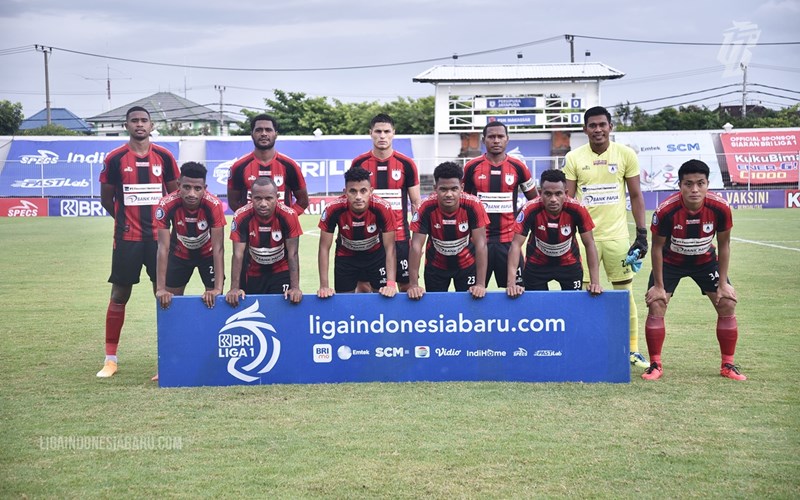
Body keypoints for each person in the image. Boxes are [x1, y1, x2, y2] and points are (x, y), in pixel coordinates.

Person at [641, 160, 745, 381]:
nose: (695, 189)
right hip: (671, 262)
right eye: (688, 184)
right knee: (656, 303)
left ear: (708, 184)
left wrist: (723, 283)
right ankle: (655, 365)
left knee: (727, 301)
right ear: (680, 185)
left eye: (700, 183)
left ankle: (728, 364)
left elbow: (724, 244)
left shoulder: (720, 208)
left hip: (705, 261)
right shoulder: (666, 210)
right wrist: (659, 286)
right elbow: (657, 247)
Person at [96, 106, 180, 378]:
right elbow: (107, 199)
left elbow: (175, 195)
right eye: (135, 121)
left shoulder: (165, 157)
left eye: (144, 120)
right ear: (127, 125)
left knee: (165, 296)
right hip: (127, 239)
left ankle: (168, 358)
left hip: (160, 241)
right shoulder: (115, 158)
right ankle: (110, 359)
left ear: (152, 125)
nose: (140, 125)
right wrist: (123, 220)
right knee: (120, 295)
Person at [563, 105, 650, 369]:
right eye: (592, 125)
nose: (598, 129)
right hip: (583, 239)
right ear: (585, 129)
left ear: (610, 126)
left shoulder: (625, 154)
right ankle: (583, 347)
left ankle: (633, 349)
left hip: (617, 238)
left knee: (624, 294)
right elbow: (567, 200)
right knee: (583, 295)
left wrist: (641, 233)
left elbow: (635, 195)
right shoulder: (574, 157)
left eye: (602, 124)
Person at [350, 113, 422, 292]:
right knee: (365, 287)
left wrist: (417, 241)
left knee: (406, 286)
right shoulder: (359, 163)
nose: (382, 136)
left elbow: (416, 204)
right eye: (378, 131)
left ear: (393, 133)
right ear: (370, 133)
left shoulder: (406, 164)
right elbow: (352, 201)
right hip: (368, 238)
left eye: (386, 131)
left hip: (400, 237)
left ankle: (403, 321)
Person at [463, 121, 538, 288]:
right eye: (491, 137)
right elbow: (463, 201)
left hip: (509, 241)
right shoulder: (471, 167)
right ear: (484, 140)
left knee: (516, 292)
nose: (496, 140)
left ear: (507, 139)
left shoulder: (519, 167)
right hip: (479, 242)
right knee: (473, 292)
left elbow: (535, 201)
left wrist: (518, 218)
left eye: (500, 136)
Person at [507, 169, 602, 296]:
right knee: (537, 309)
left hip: (570, 264)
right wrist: (511, 283)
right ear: (540, 193)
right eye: (548, 194)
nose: (553, 199)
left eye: (558, 194)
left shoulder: (578, 209)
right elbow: (515, 244)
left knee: (571, 309)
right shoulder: (530, 209)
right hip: (536, 265)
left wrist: (595, 282)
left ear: (566, 193)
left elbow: (590, 243)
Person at [407, 161, 489, 300]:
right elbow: (416, 246)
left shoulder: (473, 205)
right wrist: (414, 284)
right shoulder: (426, 207)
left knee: (469, 308)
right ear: (435, 188)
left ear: (462, 188)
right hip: (436, 266)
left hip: (467, 265)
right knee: (435, 309)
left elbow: (481, 244)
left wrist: (481, 284)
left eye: (454, 189)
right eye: (443, 189)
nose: (449, 194)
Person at [317, 167, 398, 298]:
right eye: (353, 191)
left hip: (376, 257)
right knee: (344, 302)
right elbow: (324, 248)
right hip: (346, 258)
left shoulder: (383, 208)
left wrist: (391, 283)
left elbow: (390, 248)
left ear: (371, 191)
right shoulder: (333, 209)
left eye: (363, 191)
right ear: (345, 192)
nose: (358, 197)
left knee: (385, 298)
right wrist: (324, 286)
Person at [155, 161, 226, 310]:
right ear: (178, 185)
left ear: (205, 189)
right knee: (171, 303)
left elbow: (218, 248)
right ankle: (175, 333)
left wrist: (218, 288)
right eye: (187, 187)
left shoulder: (214, 205)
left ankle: (210, 333)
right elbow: (163, 247)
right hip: (179, 254)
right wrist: (160, 288)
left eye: (197, 188)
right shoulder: (166, 204)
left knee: (214, 301)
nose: (191, 194)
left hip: (208, 255)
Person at [226, 177, 303, 307]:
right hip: (253, 272)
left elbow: (293, 253)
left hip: (280, 271)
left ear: (277, 197)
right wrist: (234, 288)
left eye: (268, 198)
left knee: (279, 312)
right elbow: (238, 254)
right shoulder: (241, 216)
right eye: (258, 198)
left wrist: (295, 287)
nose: (263, 203)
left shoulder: (289, 215)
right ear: (251, 197)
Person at [227, 113, 308, 213]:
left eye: (268, 130)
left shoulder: (290, 165)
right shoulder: (238, 166)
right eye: (259, 130)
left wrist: (288, 219)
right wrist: (247, 219)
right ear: (252, 134)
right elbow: (233, 202)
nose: (264, 133)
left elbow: (303, 201)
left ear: (276, 134)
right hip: (251, 228)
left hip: (282, 228)